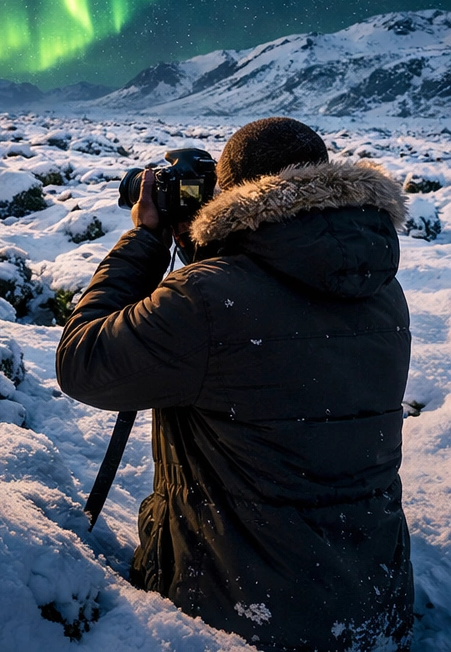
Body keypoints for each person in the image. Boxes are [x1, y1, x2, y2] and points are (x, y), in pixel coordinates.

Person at [56, 117, 413, 652]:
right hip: (375, 603)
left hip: (243, 618)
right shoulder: (382, 288)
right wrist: (216, 249)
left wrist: (146, 240)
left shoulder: (204, 300)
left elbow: (82, 363)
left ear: (231, 194)